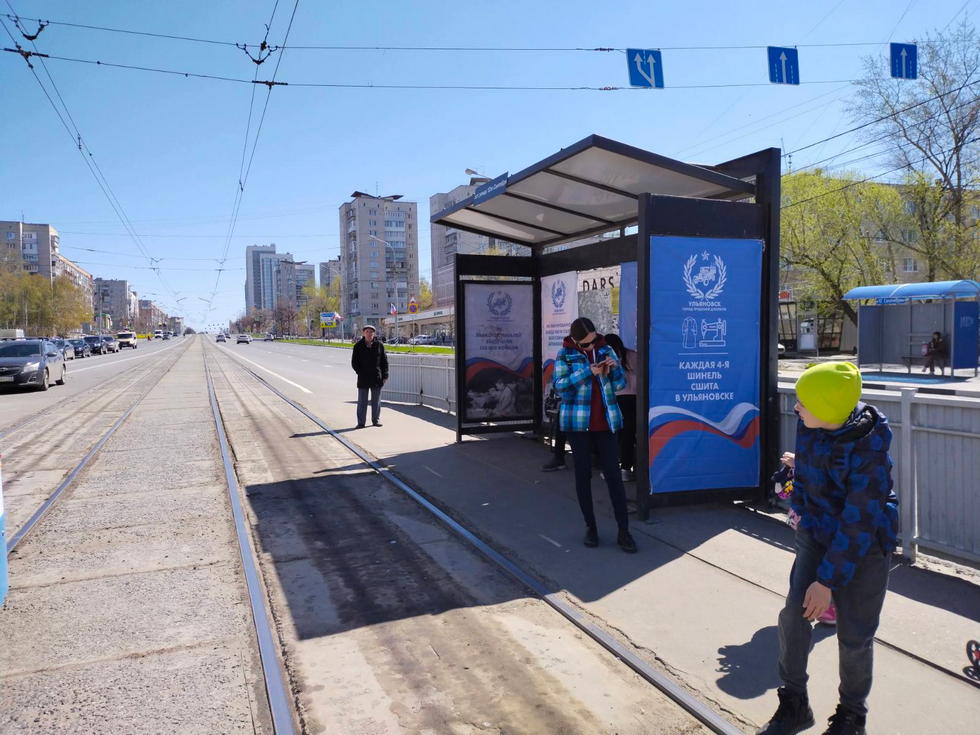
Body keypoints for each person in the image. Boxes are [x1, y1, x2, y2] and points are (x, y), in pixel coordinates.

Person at [758, 362, 898, 735]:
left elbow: (859, 522)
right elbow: (807, 476)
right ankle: (794, 703)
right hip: (817, 532)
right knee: (794, 615)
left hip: (865, 544)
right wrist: (799, 508)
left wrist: (826, 582)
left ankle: (852, 717)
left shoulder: (870, 448)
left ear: (830, 409)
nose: (796, 407)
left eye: (804, 402)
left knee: (854, 635)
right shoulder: (812, 424)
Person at [553, 317, 637, 553]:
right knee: (583, 475)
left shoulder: (606, 349)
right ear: (575, 340)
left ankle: (624, 530)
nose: (590, 346)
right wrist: (587, 372)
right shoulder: (565, 354)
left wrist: (612, 370)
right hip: (578, 425)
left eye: (593, 341)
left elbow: (619, 385)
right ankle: (591, 527)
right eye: (585, 344)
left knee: (614, 476)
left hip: (606, 423)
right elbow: (560, 387)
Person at [604, 333, 637, 481]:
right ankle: (626, 469)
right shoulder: (633, 355)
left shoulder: (606, 358)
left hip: (617, 399)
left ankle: (614, 468)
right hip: (636, 398)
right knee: (629, 434)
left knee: (616, 434)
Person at [351, 325, 388, 428]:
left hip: (376, 377)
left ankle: (376, 420)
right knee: (362, 401)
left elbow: (384, 361)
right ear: (363, 333)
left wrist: (385, 375)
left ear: (374, 333)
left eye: (371, 332)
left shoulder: (379, 345)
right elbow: (354, 362)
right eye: (367, 331)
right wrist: (360, 372)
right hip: (363, 377)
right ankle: (361, 422)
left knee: (376, 401)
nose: (369, 333)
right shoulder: (358, 346)